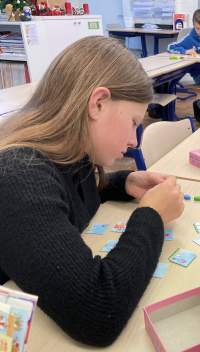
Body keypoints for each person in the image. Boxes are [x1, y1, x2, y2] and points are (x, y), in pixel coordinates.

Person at [0, 36, 185, 347]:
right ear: (98, 104)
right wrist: (151, 216)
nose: (134, 142)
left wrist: (121, 183)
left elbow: (66, 198)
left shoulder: (72, 155)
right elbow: (99, 313)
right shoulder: (18, 175)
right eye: (134, 123)